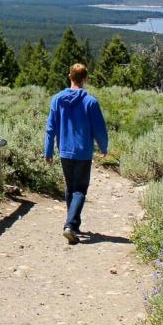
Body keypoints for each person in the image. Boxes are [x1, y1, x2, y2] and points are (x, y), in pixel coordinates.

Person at [43, 62, 108, 244]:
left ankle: (74, 224)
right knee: (80, 189)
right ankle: (70, 225)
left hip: (65, 151)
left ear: (70, 77)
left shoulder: (57, 99)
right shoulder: (90, 102)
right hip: (83, 152)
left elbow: (50, 128)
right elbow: (99, 129)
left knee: (70, 188)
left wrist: (48, 150)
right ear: (85, 79)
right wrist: (103, 147)